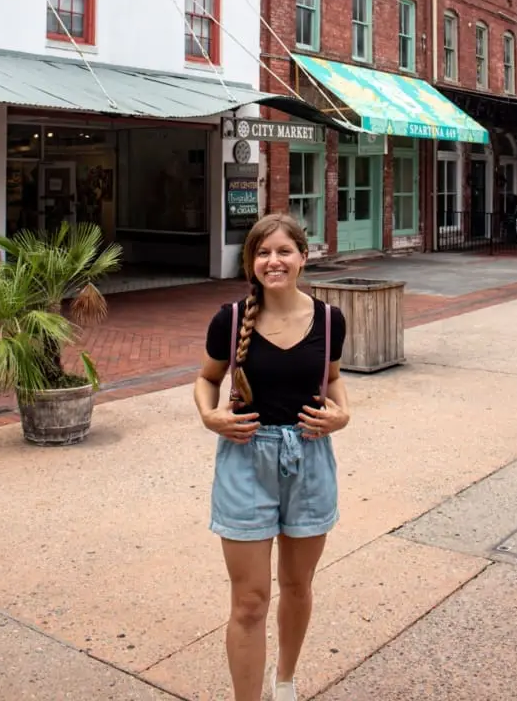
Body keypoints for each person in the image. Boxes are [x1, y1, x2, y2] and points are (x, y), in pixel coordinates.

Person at [194, 213, 350, 701]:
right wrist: (208, 415)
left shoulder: (329, 318)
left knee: (298, 585)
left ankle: (285, 681)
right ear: (251, 263)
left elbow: (336, 379)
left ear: (304, 257)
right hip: (245, 460)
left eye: (284, 251)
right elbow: (206, 379)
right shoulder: (231, 319)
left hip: (309, 458)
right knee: (249, 601)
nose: (273, 261)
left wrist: (342, 414)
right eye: (263, 253)